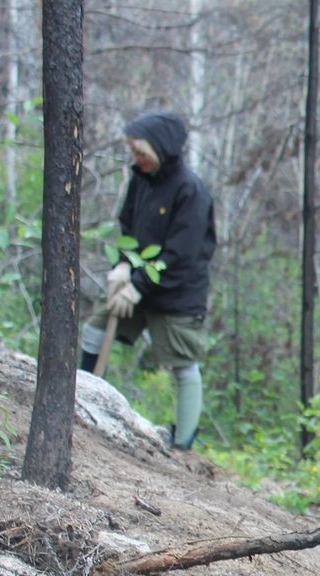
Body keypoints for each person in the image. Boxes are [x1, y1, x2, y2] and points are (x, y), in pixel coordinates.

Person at [79, 110, 216, 451]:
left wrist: (138, 287)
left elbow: (180, 254)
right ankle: (80, 401)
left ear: (162, 150)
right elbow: (128, 224)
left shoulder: (191, 190)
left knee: (183, 365)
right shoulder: (140, 178)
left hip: (176, 293)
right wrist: (123, 266)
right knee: (93, 330)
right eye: (133, 152)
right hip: (138, 281)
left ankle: (184, 444)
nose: (136, 159)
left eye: (141, 152)